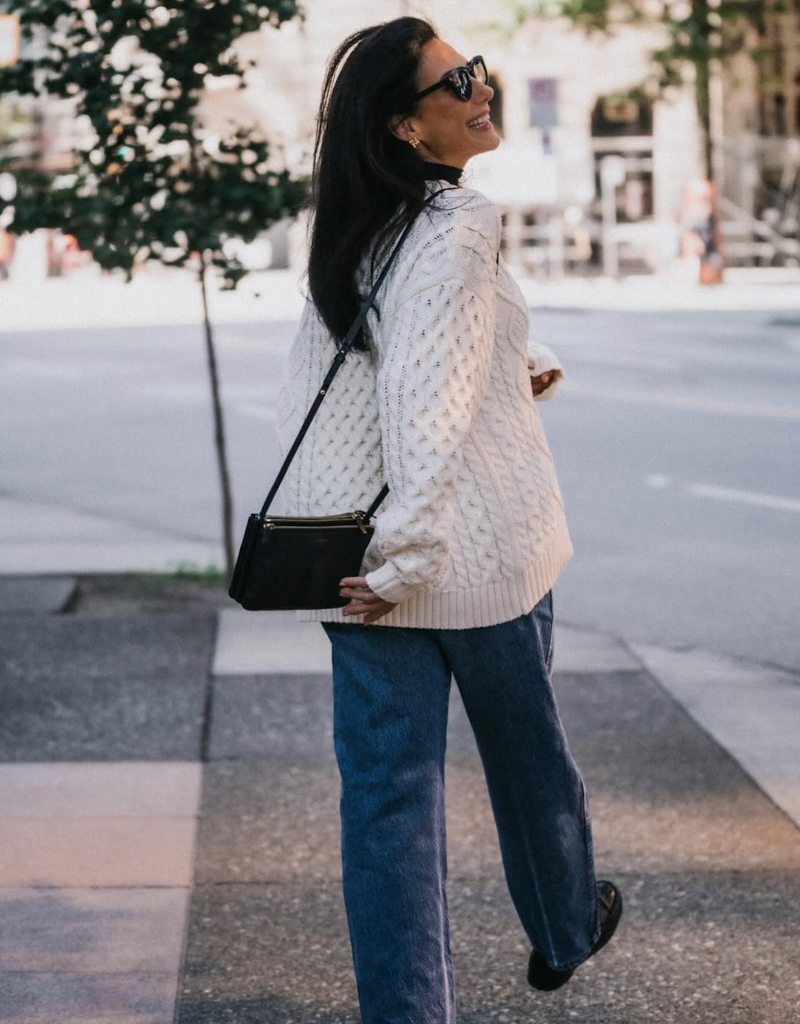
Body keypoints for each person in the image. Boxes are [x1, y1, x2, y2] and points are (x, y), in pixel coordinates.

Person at [276, 17, 622, 1023]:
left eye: (475, 69)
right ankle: (562, 928)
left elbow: (401, 353)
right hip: (468, 559)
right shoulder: (461, 225)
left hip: (357, 567)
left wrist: (521, 359)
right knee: (528, 765)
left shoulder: (362, 224)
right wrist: (411, 552)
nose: (481, 89)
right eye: (455, 84)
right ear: (406, 129)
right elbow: (421, 406)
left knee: (386, 808)